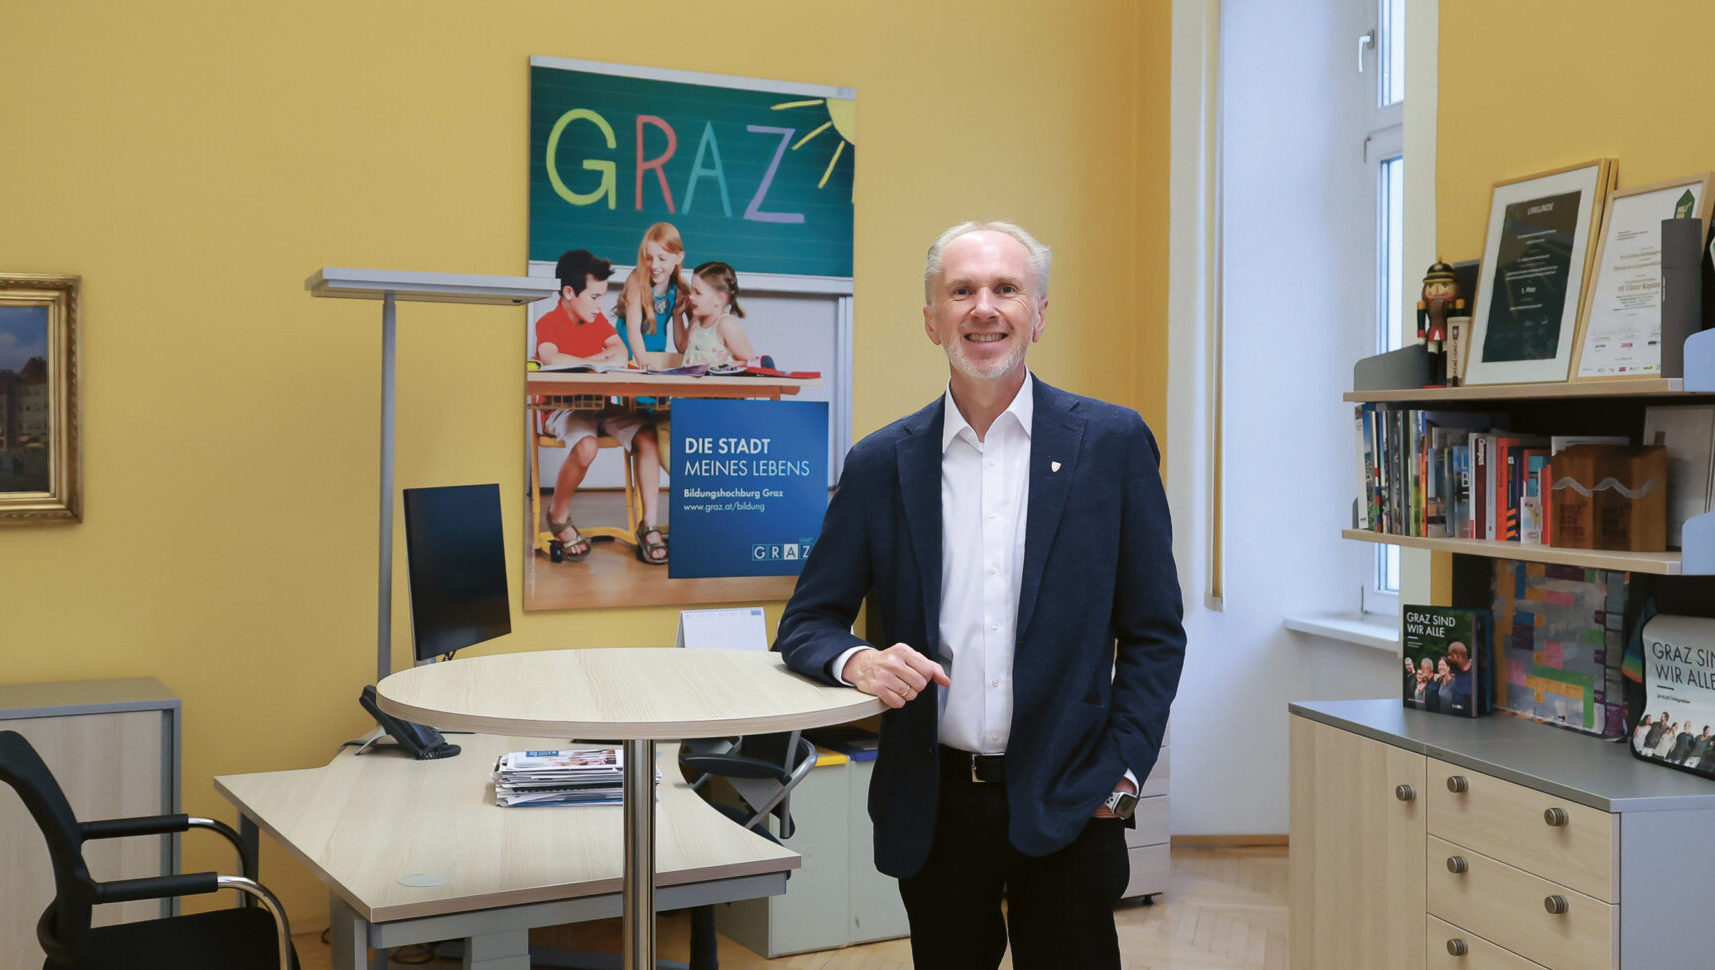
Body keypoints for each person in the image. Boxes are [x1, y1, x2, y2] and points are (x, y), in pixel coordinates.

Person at [775, 221, 1185, 969]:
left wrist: (1122, 773)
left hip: (1072, 798)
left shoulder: (1112, 445)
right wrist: (858, 660)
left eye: (1006, 289)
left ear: (1039, 313)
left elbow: (1155, 632)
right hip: (935, 809)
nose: (983, 308)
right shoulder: (880, 463)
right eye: (960, 291)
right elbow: (807, 623)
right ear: (932, 319)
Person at [534, 249, 668, 565]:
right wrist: (594, 359)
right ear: (569, 292)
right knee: (587, 446)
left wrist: (592, 359)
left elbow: (620, 352)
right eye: (594, 297)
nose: (600, 305)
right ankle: (558, 515)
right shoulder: (549, 322)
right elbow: (551, 357)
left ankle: (648, 524)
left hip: (600, 406)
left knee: (647, 437)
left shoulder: (596, 322)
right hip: (562, 407)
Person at [615, 221, 692, 369]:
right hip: (629, 358)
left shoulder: (681, 288)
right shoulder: (636, 280)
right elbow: (633, 330)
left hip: (656, 357)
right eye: (649, 258)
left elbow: (696, 330)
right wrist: (644, 365)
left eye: (662, 258)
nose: (654, 265)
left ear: (679, 257)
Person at [681, 261, 757, 368]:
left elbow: (752, 362)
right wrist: (677, 315)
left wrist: (717, 366)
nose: (691, 296)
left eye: (698, 293)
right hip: (689, 379)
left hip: (712, 379)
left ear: (719, 298)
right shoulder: (696, 318)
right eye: (692, 290)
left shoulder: (725, 324)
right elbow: (683, 349)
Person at [1445, 642, 1474, 715]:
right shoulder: (1457, 670)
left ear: (1457, 655)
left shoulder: (1474, 673)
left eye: (1451, 655)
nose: (1449, 658)